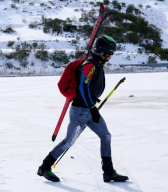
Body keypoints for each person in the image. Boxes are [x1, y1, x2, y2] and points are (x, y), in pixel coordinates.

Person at [37, 35, 129, 183]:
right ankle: (44, 167)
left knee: (106, 136)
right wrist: (92, 107)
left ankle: (109, 172)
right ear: (103, 52)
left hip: (90, 110)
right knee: (68, 142)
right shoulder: (90, 65)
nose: (111, 57)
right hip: (80, 112)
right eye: (110, 54)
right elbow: (83, 86)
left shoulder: (96, 64)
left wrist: (92, 107)